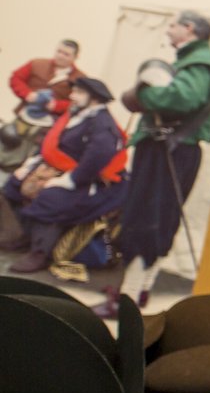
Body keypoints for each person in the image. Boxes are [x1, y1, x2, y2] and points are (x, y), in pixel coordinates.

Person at [94, 10, 210, 318]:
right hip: (167, 150)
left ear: (189, 29)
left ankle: (126, 299)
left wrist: (141, 91)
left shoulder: (200, 63)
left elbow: (180, 100)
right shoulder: (193, 60)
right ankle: (138, 290)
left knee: (148, 222)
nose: (169, 30)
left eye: (174, 25)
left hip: (170, 151)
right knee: (155, 220)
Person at [0, 77, 128, 274]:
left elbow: (96, 160)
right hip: (63, 168)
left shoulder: (102, 125)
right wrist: (29, 165)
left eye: (77, 92)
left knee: (52, 198)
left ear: (93, 98)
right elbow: (51, 144)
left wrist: (67, 181)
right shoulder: (76, 114)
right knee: (13, 185)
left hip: (96, 182)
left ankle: (40, 253)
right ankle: (26, 236)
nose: (71, 96)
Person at [2, 40, 84, 170]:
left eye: (66, 54)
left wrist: (56, 105)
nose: (61, 56)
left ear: (75, 57)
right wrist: (28, 94)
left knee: (30, 158)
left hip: (48, 125)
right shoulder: (37, 64)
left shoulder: (80, 79)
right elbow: (15, 78)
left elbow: (78, 103)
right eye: (59, 51)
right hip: (24, 116)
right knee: (8, 142)